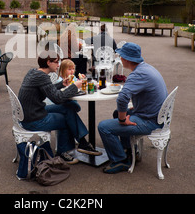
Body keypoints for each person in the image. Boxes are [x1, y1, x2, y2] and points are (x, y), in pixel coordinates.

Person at [18, 51, 101, 164]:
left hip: (30, 113)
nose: (58, 65)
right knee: (66, 118)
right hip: (33, 119)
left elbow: (49, 89)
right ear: (48, 62)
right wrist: (74, 86)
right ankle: (64, 152)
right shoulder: (42, 77)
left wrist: (62, 84)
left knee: (67, 108)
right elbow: (57, 99)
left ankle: (82, 143)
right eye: (56, 62)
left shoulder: (34, 72)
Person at [98, 42, 168, 174]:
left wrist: (123, 120)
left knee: (103, 127)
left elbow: (122, 98)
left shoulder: (138, 75)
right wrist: (122, 116)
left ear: (126, 58)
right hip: (156, 115)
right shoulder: (146, 68)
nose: (120, 58)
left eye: (120, 56)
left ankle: (121, 161)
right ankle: (127, 150)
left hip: (150, 120)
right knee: (116, 113)